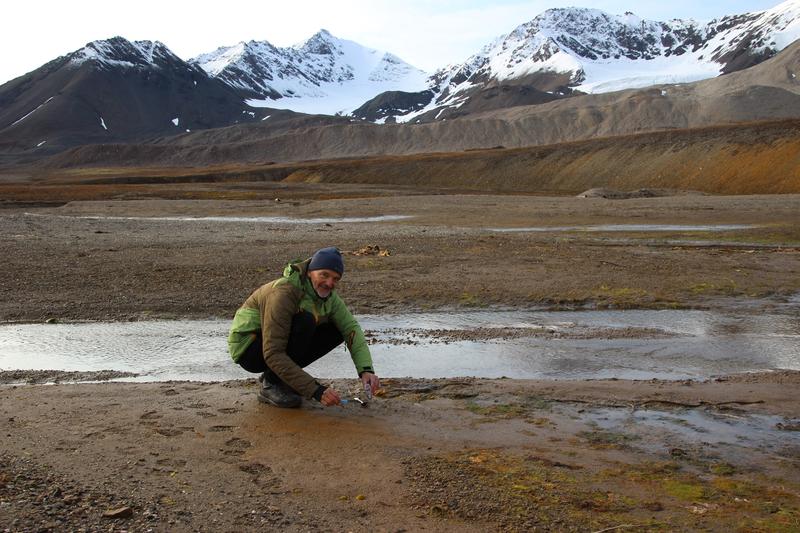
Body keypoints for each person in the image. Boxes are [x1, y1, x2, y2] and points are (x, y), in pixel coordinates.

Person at [227, 247, 379, 408]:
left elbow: (351, 328)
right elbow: (272, 353)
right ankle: (271, 384)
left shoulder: (330, 298)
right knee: (306, 321)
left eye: (335, 279)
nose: (329, 283)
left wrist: (366, 370)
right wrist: (316, 390)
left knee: (337, 329)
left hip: (273, 347)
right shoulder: (283, 293)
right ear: (309, 272)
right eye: (324, 275)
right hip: (249, 348)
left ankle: (280, 378)